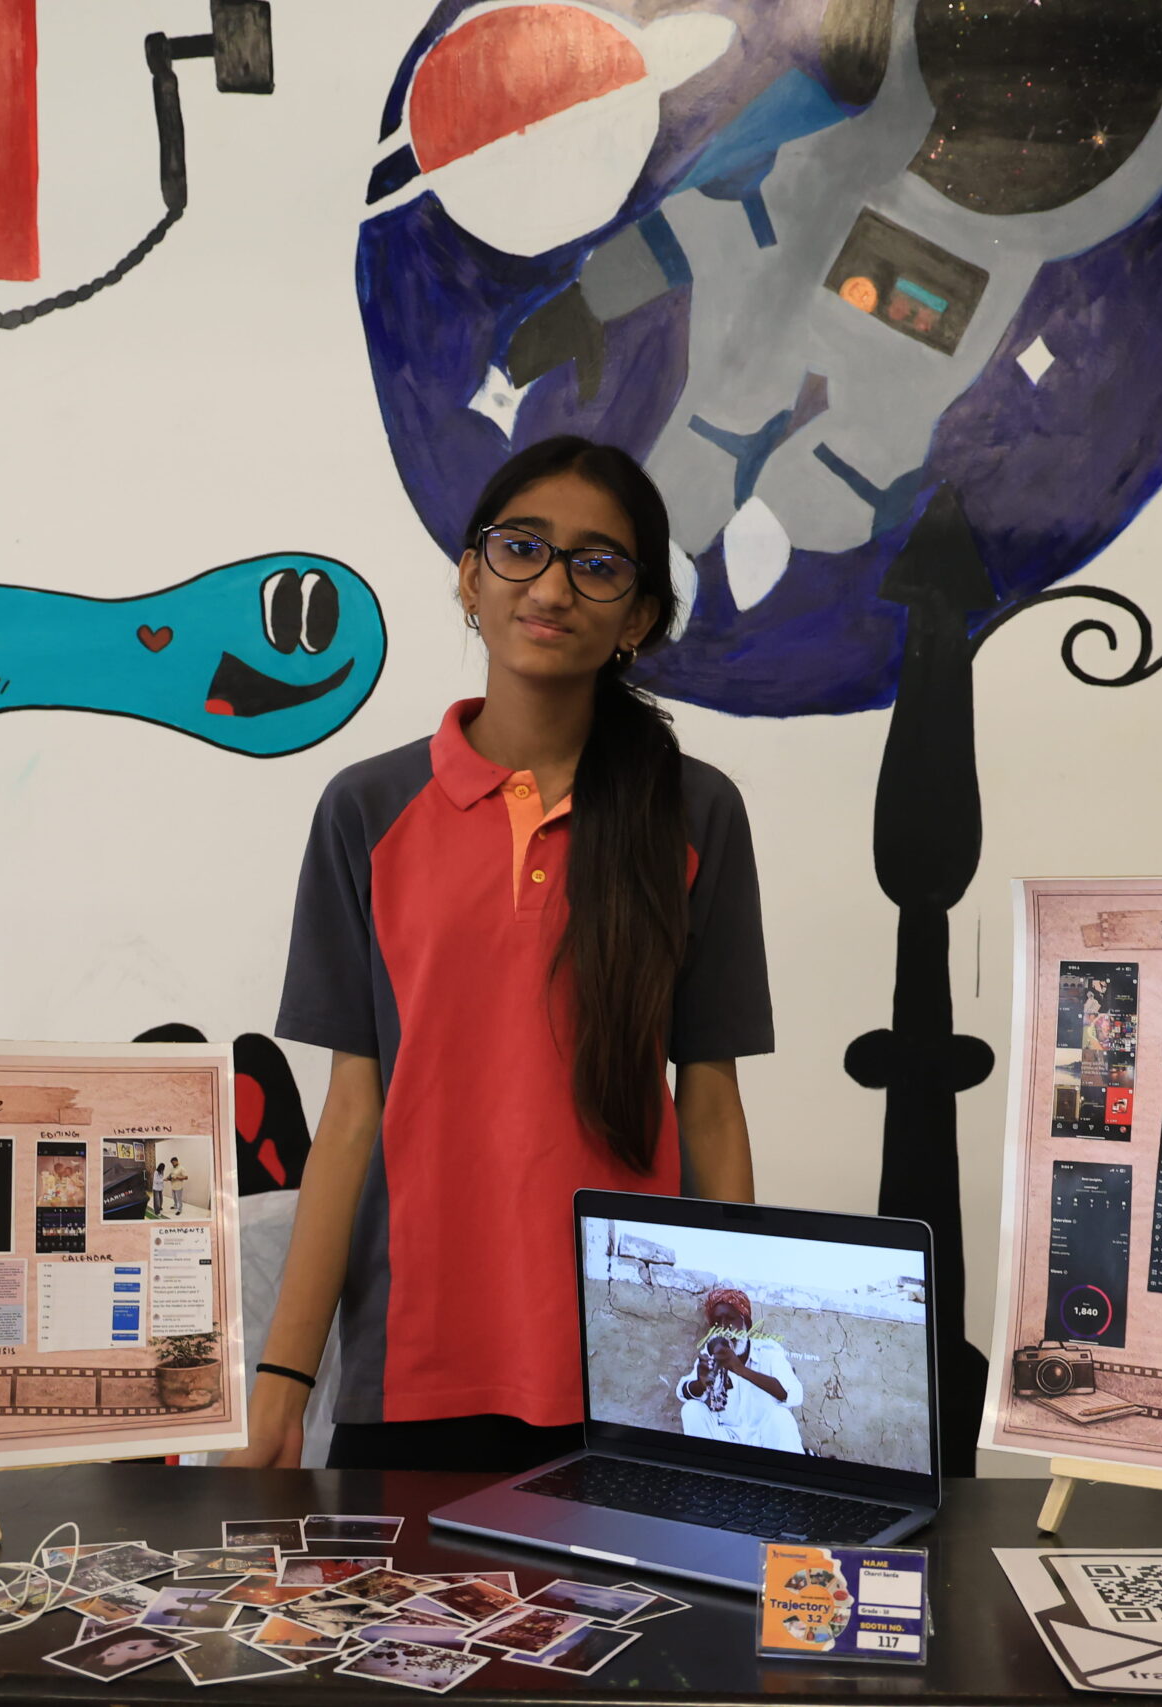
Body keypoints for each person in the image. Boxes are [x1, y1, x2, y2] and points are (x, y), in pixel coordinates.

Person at [230, 437, 774, 1473]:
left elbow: (710, 1107)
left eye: (597, 564)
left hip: (636, 1366)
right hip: (414, 1362)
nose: (553, 586)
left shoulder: (696, 812)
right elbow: (352, 1114)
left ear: (639, 617)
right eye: (522, 548)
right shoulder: (366, 810)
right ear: (470, 578)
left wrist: (730, 1356)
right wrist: (282, 1385)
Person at [677, 1286, 802, 1452]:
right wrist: (700, 1384)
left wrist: (740, 1369)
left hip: (764, 1438)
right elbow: (682, 1392)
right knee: (691, 1410)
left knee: (782, 1417)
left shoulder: (768, 1351)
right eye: (717, 1321)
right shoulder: (712, 1351)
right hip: (725, 1437)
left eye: (730, 1318)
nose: (724, 1327)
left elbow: (795, 1395)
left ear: (746, 1324)